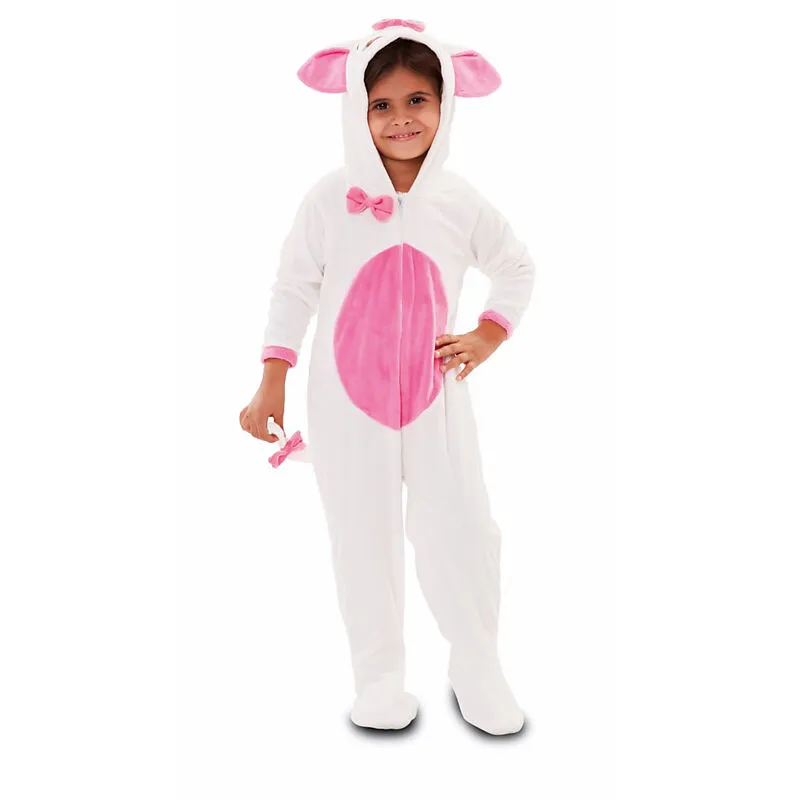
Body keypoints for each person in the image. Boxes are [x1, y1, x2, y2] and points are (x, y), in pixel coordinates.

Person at [239, 19, 536, 735]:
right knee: (361, 537)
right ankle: (378, 681)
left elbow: (515, 266)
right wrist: (273, 376)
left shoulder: (458, 201)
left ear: (446, 102)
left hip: (436, 397)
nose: (402, 118)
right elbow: (293, 286)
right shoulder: (330, 198)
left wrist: (488, 334)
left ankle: (477, 666)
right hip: (345, 403)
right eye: (382, 104)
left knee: (462, 528)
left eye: (418, 100)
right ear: (356, 108)